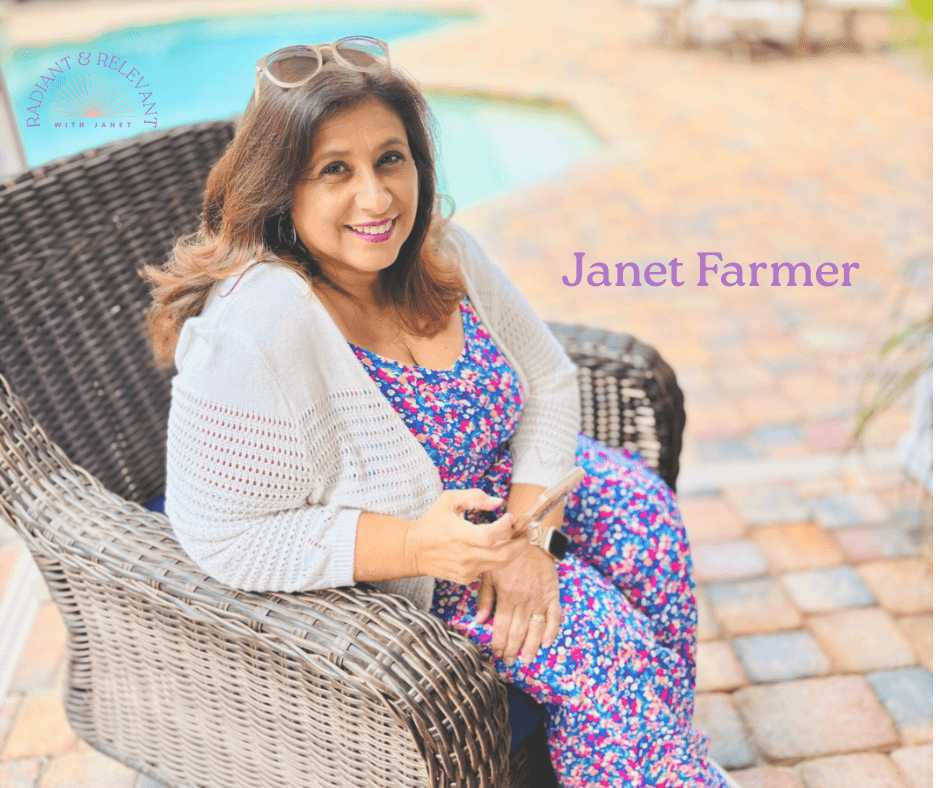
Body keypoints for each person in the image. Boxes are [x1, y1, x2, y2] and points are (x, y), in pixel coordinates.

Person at [143, 36, 733, 787]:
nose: (377, 198)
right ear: (281, 186)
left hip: (507, 503)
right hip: (409, 551)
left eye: (391, 159)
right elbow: (219, 535)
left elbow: (548, 378)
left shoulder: (439, 251)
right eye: (336, 170)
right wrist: (422, 548)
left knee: (649, 522)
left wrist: (532, 539)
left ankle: (656, 754)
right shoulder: (255, 329)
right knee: (606, 647)